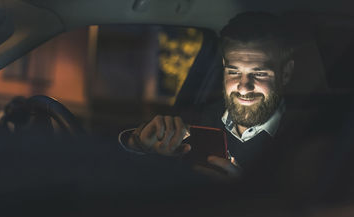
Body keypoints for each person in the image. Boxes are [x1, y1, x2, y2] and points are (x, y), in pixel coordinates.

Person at [119, 12, 295, 178]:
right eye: (233, 72)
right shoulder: (193, 120)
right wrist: (139, 144)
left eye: (259, 74)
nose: (243, 88)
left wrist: (242, 191)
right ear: (224, 67)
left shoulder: (304, 136)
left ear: (286, 73)